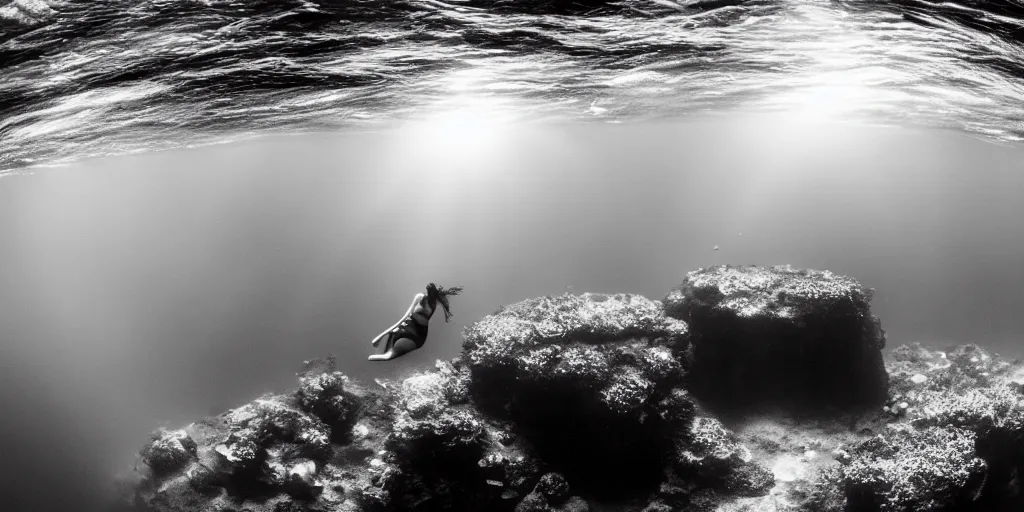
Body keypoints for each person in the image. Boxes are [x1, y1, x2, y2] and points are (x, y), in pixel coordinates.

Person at [368, 283, 463, 361]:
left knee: (388, 356)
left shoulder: (432, 302)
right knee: (388, 353)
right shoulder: (421, 298)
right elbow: (404, 317)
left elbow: (405, 318)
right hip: (411, 330)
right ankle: (387, 342)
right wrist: (380, 336)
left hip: (417, 334)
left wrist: (380, 337)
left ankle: (378, 353)